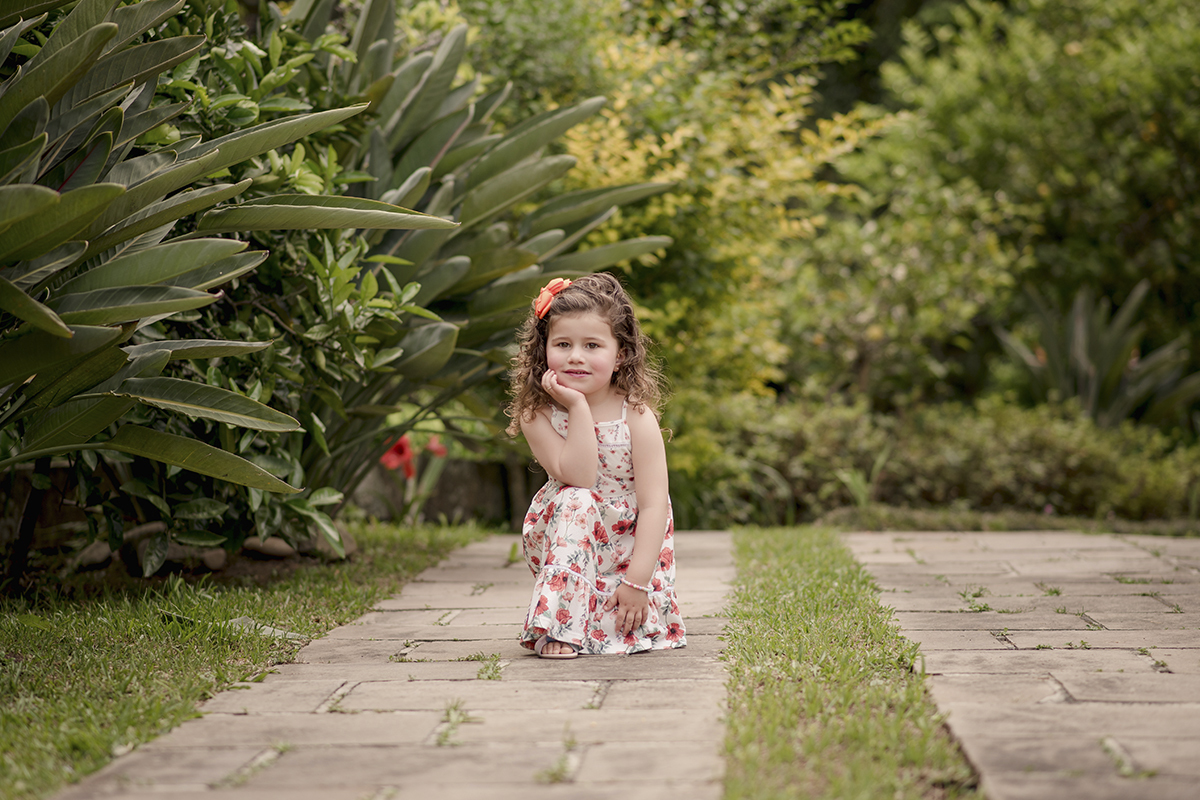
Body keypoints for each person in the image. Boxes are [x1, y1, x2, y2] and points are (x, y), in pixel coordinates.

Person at [506, 273, 687, 658]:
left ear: (620, 354)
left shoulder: (635, 415)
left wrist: (637, 581)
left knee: (628, 616)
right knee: (577, 498)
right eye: (563, 344)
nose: (576, 356)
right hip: (566, 533)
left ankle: (613, 607)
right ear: (544, 350)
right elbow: (581, 476)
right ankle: (558, 627)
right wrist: (576, 406)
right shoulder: (537, 414)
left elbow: (654, 503)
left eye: (592, 345)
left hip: (630, 542)